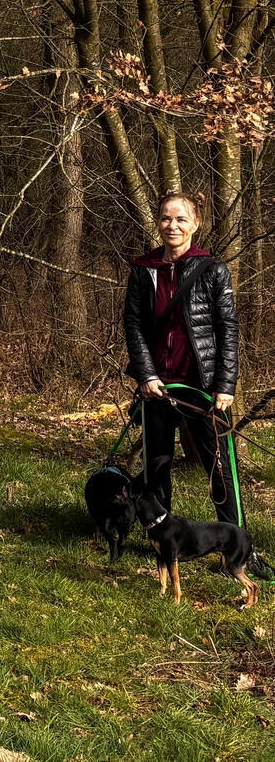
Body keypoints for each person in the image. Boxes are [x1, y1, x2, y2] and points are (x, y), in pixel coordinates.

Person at [123, 190, 251, 529]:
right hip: (158, 388)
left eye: (181, 219)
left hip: (203, 387)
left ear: (195, 224)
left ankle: (236, 543)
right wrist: (146, 375)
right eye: (166, 218)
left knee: (220, 469)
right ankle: (161, 539)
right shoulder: (143, 270)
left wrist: (225, 385)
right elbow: (133, 326)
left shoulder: (213, 270)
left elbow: (228, 329)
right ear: (158, 223)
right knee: (157, 467)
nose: (173, 225)